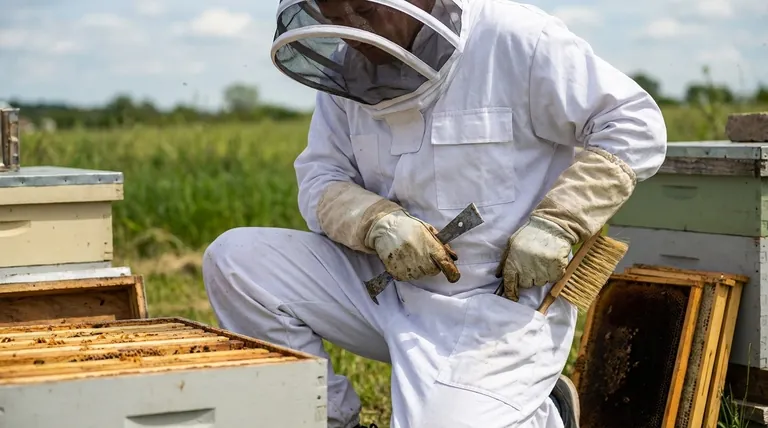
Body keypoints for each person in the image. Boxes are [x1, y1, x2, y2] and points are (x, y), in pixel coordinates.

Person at [202, 0, 667, 427]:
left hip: (494, 304)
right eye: (336, 15)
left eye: (363, 9)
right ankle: (327, 418)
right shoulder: (348, 74)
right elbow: (321, 176)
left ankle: (542, 415)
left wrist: (560, 221)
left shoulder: (514, 37)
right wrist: (375, 221)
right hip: (382, 285)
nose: (352, 32)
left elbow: (634, 124)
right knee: (236, 259)